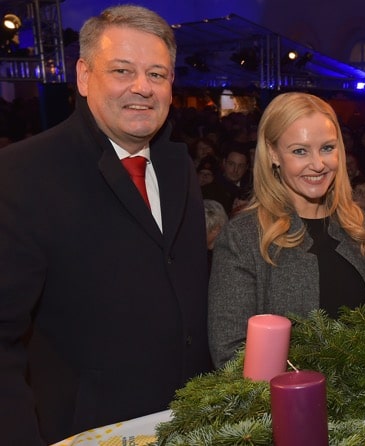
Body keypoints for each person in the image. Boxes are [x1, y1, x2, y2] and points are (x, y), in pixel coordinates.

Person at [0, 5, 212, 444]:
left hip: (189, 422)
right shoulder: (22, 173)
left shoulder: (178, 166)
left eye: (157, 74)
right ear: (82, 76)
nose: (142, 88)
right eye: (122, 70)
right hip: (87, 432)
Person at [208, 92, 365, 367]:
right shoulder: (244, 237)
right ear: (274, 154)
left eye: (327, 148)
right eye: (300, 151)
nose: (318, 164)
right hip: (283, 407)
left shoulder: (356, 224)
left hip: (361, 404)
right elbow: (230, 353)